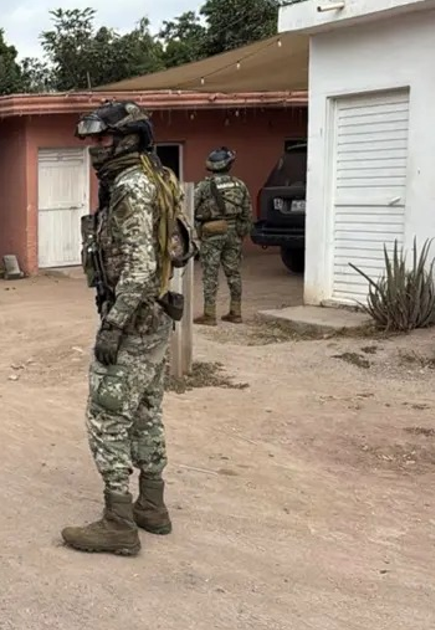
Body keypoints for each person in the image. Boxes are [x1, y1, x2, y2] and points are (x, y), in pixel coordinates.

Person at [66, 100, 184, 556]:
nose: (95, 148)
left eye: (102, 138)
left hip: (134, 317)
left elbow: (139, 267)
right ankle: (152, 506)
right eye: (91, 140)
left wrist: (113, 326)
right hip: (155, 315)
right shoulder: (158, 176)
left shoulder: (132, 186)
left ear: (129, 138)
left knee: (106, 412)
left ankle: (118, 521)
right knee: (147, 409)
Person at [193, 147, 250, 325]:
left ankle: (209, 315)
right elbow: (247, 212)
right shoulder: (239, 185)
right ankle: (236, 312)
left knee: (210, 274)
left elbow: (190, 208)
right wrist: (241, 233)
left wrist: (196, 232)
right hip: (233, 233)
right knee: (233, 273)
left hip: (212, 233)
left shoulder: (204, 187)